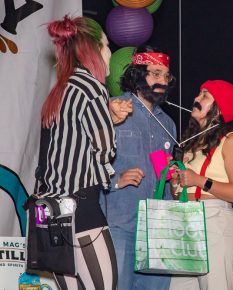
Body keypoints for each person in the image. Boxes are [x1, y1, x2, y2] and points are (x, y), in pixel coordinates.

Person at [36, 16, 130, 289]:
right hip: (81, 209)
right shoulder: (91, 88)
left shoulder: (60, 89)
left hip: (50, 211)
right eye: (106, 46)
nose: (110, 53)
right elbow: (104, 150)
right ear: (93, 49)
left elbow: (68, 140)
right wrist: (108, 126)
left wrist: (107, 120)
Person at [100, 45, 177, 290]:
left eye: (166, 75)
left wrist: (173, 179)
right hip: (120, 224)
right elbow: (85, 158)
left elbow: (162, 172)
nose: (161, 81)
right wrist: (115, 180)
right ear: (137, 74)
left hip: (157, 229)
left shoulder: (167, 123)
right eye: (155, 73)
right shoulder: (114, 109)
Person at [169, 80, 233, 290]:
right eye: (199, 93)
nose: (196, 98)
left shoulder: (231, 141)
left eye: (205, 96)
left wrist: (199, 180)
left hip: (215, 223)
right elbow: (181, 192)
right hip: (185, 224)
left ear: (218, 109)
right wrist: (175, 181)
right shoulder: (189, 142)